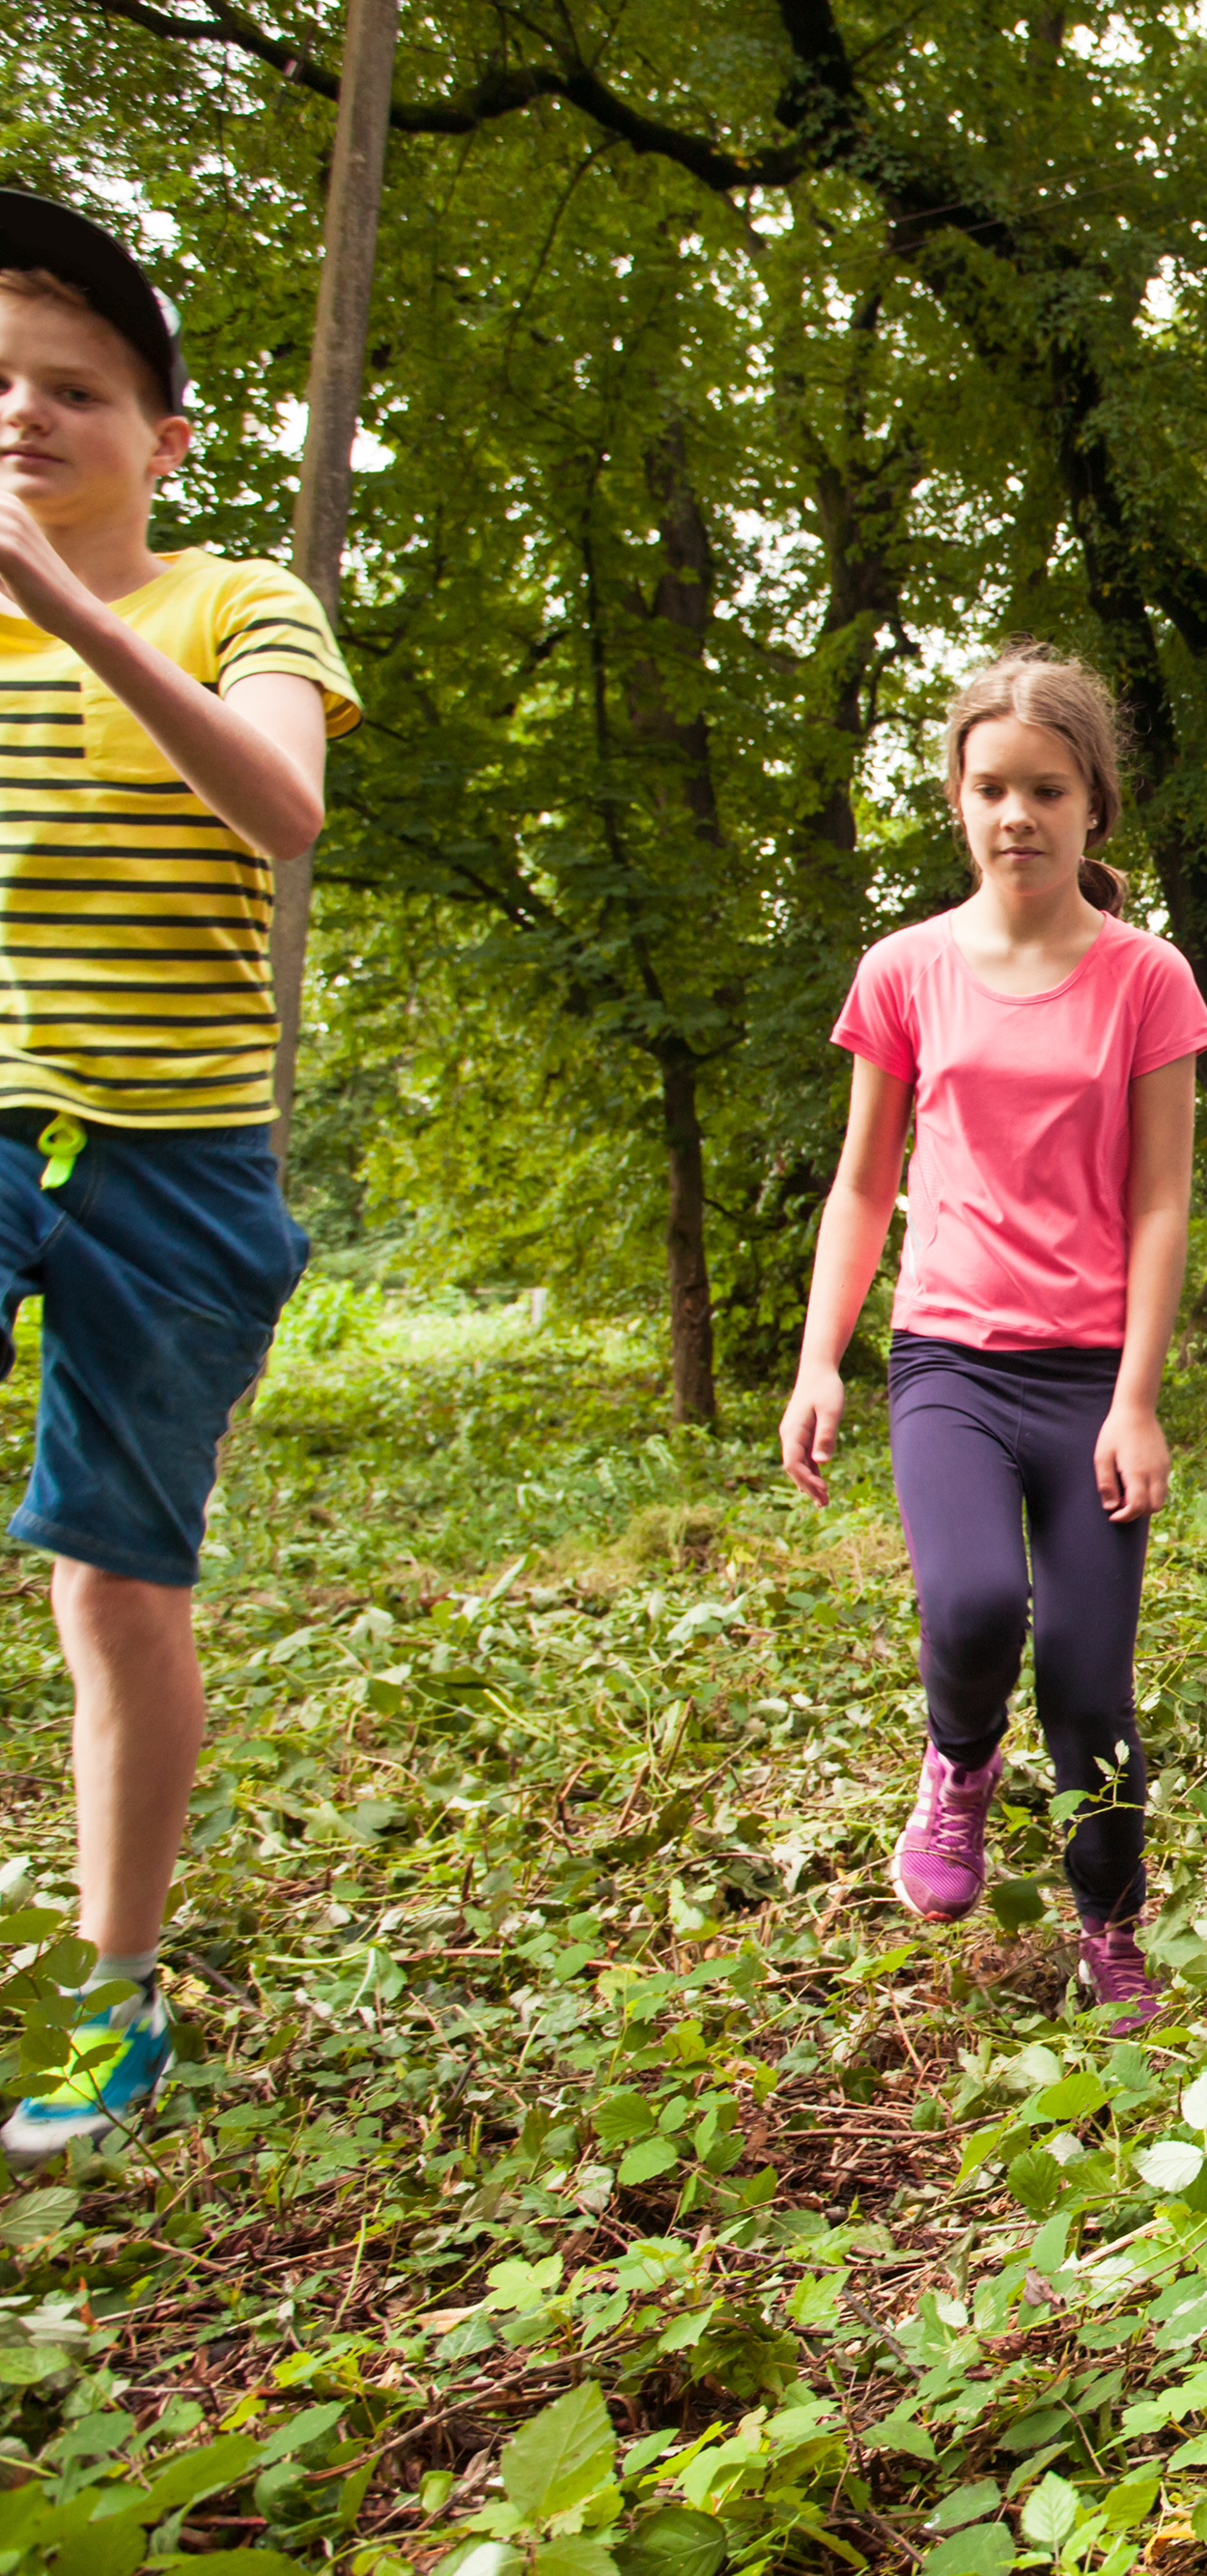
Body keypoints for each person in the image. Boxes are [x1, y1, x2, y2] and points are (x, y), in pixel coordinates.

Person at [0, 199, 353, 2161]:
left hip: (182, 1168)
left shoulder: (238, 605)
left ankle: (108, 1998)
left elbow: (285, 804)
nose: (24, 417)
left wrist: (68, 610)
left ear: (162, 436)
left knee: (116, 1590)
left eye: (70, 388)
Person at [779, 645, 1207, 2034]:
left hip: (1092, 1372)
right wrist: (818, 1357)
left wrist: (1138, 1395)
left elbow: (1161, 1197)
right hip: (951, 1362)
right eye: (990, 788)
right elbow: (862, 1180)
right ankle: (957, 1764)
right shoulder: (904, 969)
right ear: (956, 801)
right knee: (970, 1606)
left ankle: (1109, 1922)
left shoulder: (1147, 977)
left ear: (1095, 807)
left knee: (1090, 1672)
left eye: (1045, 788)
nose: (1015, 812)